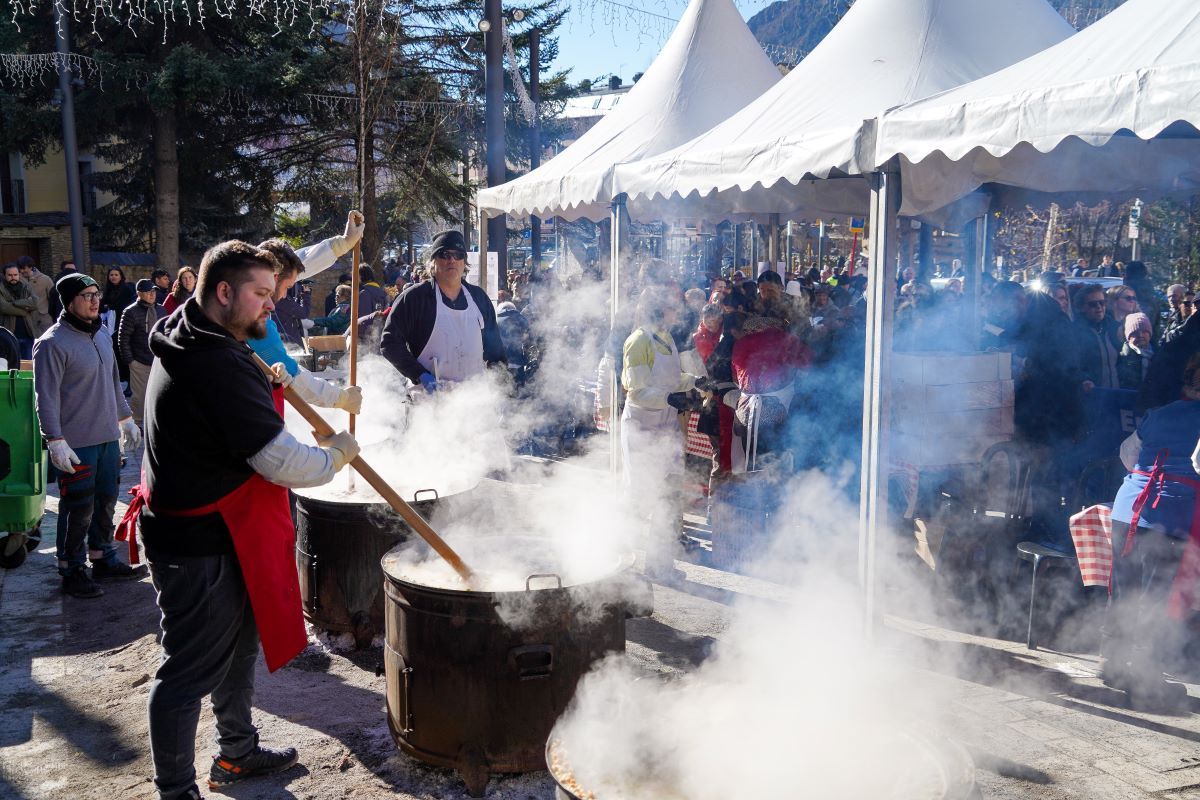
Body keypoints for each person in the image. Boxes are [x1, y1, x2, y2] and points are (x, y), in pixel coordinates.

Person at [135, 240, 360, 800]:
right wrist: (335, 457)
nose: (271, 304)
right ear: (223, 292)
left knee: (237, 649)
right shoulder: (213, 363)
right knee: (187, 670)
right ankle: (175, 790)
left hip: (225, 531)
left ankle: (236, 752)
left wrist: (275, 384)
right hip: (197, 544)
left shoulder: (200, 330)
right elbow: (278, 460)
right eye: (261, 293)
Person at [33, 273, 144, 598]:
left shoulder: (102, 334)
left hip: (107, 437)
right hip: (75, 443)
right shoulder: (52, 343)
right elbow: (45, 397)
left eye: (97, 294)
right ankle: (72, 568)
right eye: (87, 295)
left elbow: (113, 381)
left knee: (107, 500)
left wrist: (126, 419)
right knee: (78, 507)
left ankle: (102, 556)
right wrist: (54, 439)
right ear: (69, 302)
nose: (96, 301)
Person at [1103, 354, 1200, 710]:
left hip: (1127, 509)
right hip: (1168, 516)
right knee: (1154, 600)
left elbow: (1127, 453)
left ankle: (1115, 666)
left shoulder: (1159, 414)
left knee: (1125, 592)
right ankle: (1145, 683)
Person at [621, 287, 702, 581]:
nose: (677, 312)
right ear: (660, 309)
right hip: (641, 426)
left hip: (666, 426)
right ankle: (619, 563)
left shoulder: (665, 337)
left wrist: (695, 381)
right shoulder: (638, 340)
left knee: (668, 496)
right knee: (640, 498)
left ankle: (659, 565)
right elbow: (637, 390)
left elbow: (670, 378)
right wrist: (669, 398)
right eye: (673, 307)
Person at [249, 224, 365, 414]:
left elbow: (297, 263)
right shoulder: (251, 317)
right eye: (288, 288)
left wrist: (341, 244)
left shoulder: (252, 275)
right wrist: (340, 398)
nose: (282, 297)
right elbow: (293, 374)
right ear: (273, 278)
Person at [380, 230, 505, 390]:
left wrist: (500, 388)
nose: (452, 260)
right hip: (427, 397)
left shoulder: (479, 298)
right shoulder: (414, 298)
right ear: (433, 262)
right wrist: (419, 374)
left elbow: (495, 351)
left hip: (473, 397)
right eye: (445, 254)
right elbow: (390, 343)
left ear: (464, 263)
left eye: (458, 255)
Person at [118, 279, 167, 428]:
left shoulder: (161, 310)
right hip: (139, 360)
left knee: (159, 394)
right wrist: (130, 361)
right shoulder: (130, 311)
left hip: (158, 360)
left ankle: (156, 424)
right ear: (139, 293)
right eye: (148, 292)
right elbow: (123, 338)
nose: (152, 294)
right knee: (139, 397)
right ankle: (138, 424)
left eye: (153, 291)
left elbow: (166, 332)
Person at [1073, 283, 1120, 390]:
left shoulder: (1115, 328)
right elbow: (1071, 366)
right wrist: (1083, 380)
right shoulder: (1074, 332)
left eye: (1102, 302)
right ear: (1082, 307)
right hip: (1091, 395)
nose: (1099, 307)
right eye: (1093, 304)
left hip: (1117, 394)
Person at [0, 262, 38, 359]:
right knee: (12, 365)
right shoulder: (1, 289)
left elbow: (35, 303)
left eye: (15, 275)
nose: (13, 277)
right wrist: (24, 311)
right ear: (4, 275)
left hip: (28, 334)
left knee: (29, 365)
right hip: (9, 335)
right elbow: (4, 307)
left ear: (19, 275)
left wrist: (14, 303)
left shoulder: (26, 286)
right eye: (10, 275)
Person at [17, 255, 55, 335]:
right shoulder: (17, 280)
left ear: (31, 267)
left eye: (24, 268)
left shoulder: (45, 279)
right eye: (20, 268)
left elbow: (53, 298)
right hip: (25, 318)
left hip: (43, 318)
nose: (21, 271)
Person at [1116, 312, 1154, 391]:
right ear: (1128, 337)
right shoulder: (1121, 356)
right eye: (1135, 333)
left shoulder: (1159, 354)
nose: (1140, 335)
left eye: (1144, 331)